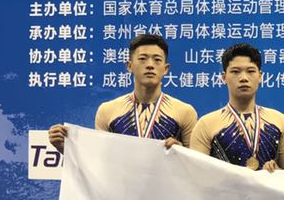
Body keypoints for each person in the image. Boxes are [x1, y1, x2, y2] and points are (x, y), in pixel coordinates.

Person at [48, 32, 196, 150]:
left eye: (157, 60)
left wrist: (181, 152)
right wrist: (65, 148)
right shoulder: (107, 111)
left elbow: (196, 165)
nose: (150, 65)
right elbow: (99, 162)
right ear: (129, 66)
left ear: (166, 69)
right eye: (143, 59)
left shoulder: (185, 112)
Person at [189, 43, 284, 171]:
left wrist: (276, 171)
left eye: (250, 71)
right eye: (235, 72)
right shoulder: (206, 124)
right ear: (224, 77)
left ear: (260, 76)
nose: (244, 78)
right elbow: (196, 176)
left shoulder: (279, 119)